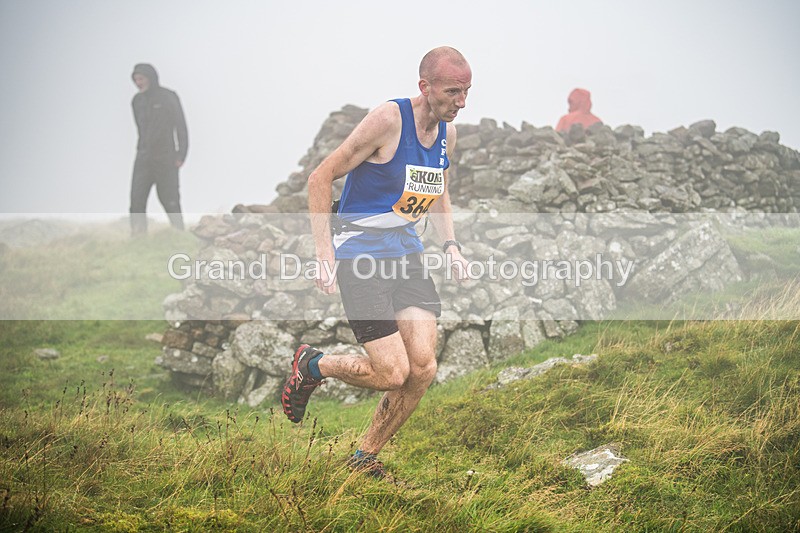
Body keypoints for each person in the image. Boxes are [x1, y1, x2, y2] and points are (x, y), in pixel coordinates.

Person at [281, 46, 471, 480]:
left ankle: (364, 457)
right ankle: (314, 364)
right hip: (360, 256)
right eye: (453, 91)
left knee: (422, 368)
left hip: (407, 255)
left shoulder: (447, 134)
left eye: (467, 92)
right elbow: (320, 177)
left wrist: (452, 246)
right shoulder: (389, 120)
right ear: (425, 87)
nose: (461, 101)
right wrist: (324, 254)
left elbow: (438, 188)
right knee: (392, 372)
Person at [129, 63, 188, 235]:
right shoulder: (136, 101)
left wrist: (181, 154)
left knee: (170, 200)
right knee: (136, 199)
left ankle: (178, 233)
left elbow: (181, 126)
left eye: (141, 79)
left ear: (151, 78)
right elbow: (140, 129)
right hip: (143, 158)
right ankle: (138, 237)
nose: (138, 83)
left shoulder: (168, 97)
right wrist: (142, 150)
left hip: (166, 158)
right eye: (135, 80)